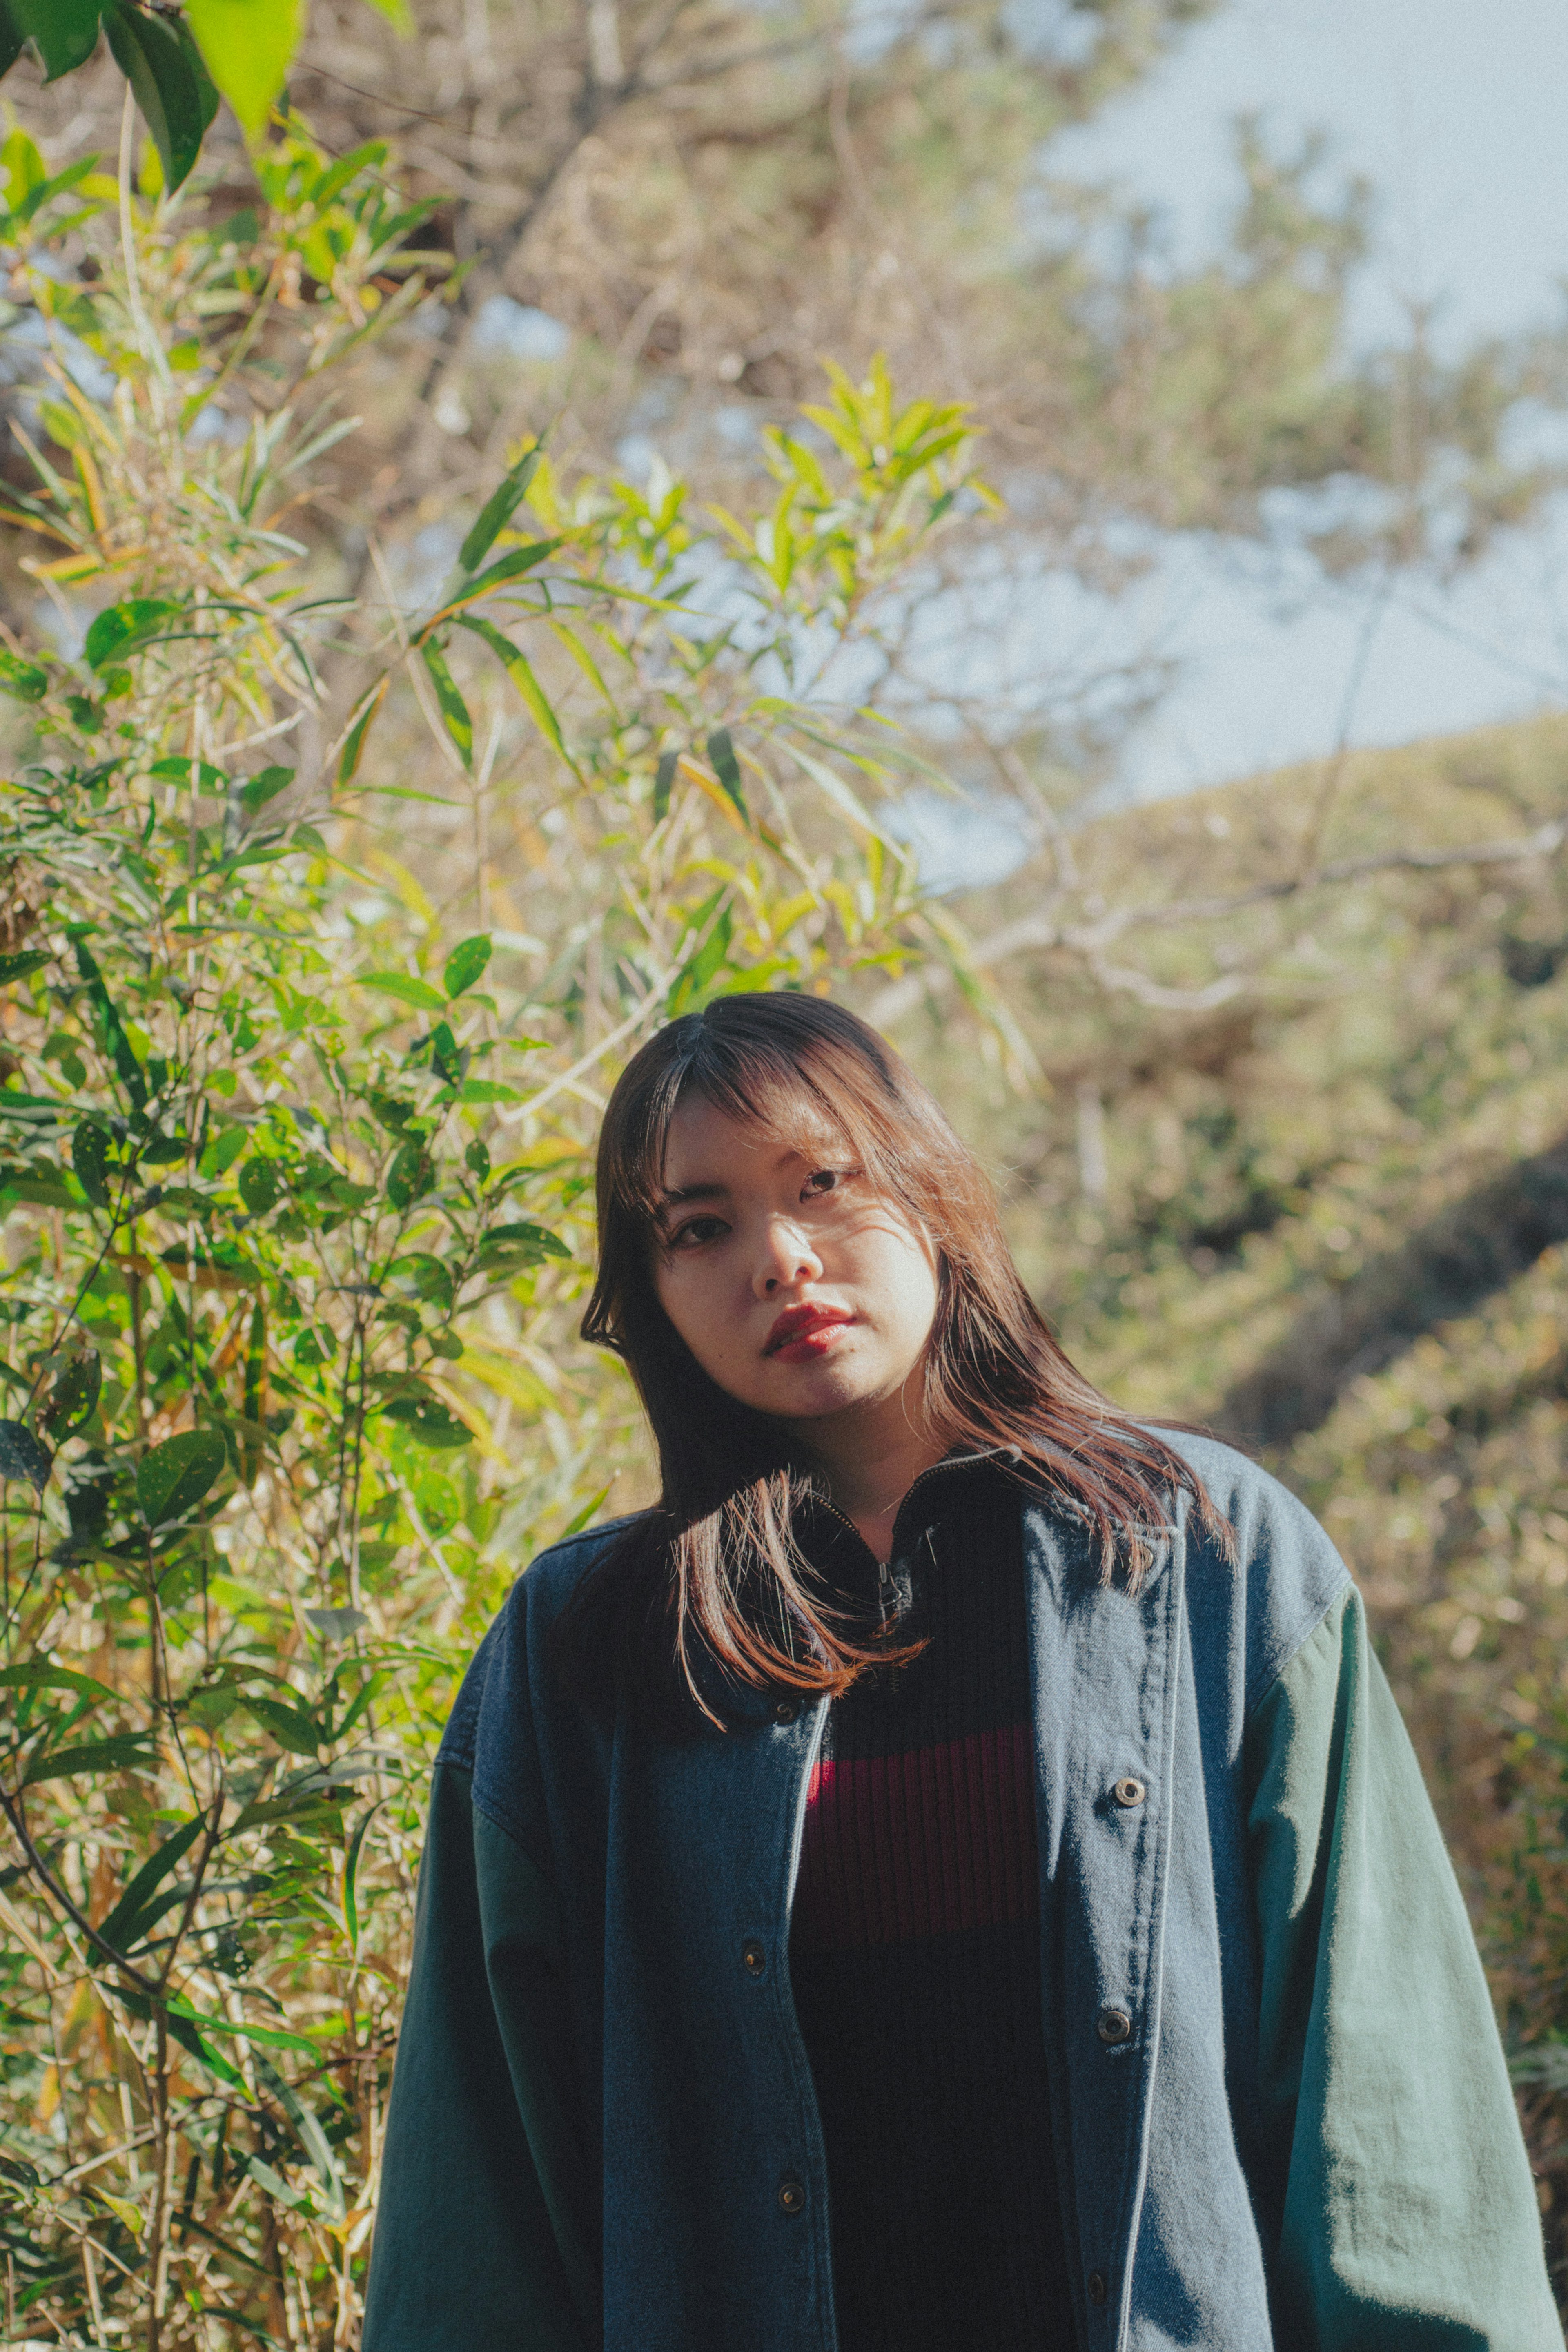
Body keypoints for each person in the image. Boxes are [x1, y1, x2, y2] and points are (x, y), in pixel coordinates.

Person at [362, 993, 1561, 2352]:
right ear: (652, 1296)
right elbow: (481, 2198)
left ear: (929, 1189)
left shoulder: (1210, 1561)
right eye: (702, 1228)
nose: (781, 1257)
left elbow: (1385, 2109)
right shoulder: (587, 1651)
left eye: (825, 1182)